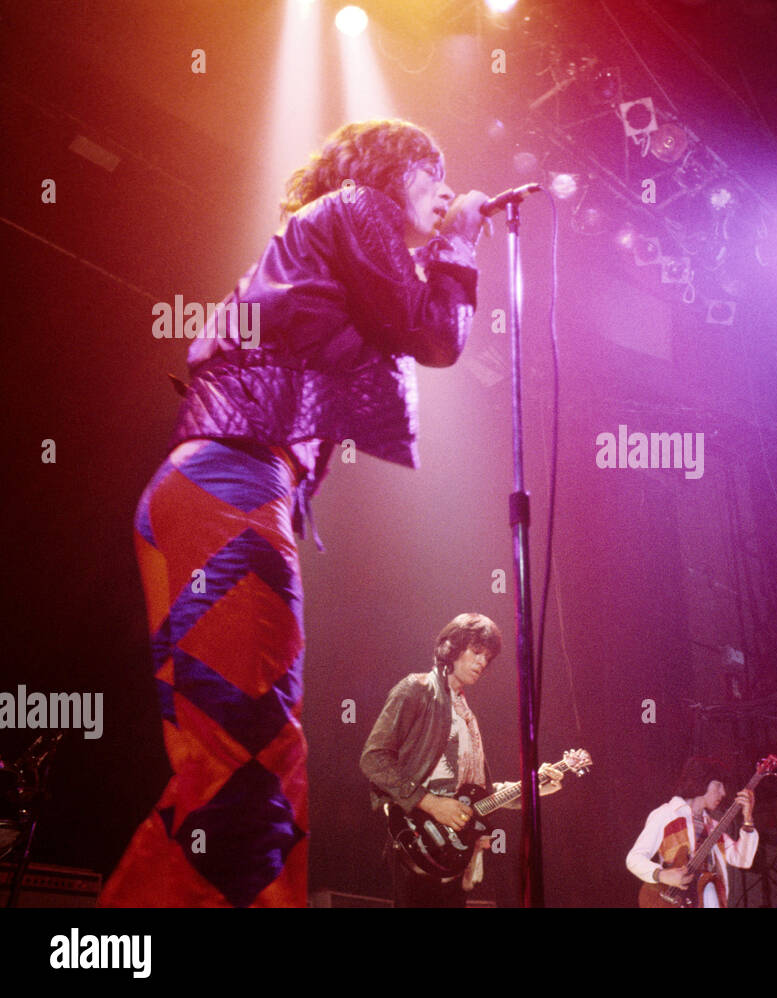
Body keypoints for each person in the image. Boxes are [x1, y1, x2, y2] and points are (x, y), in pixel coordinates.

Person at [100, 120, 490, 908]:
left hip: (205, 490)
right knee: (252, 783)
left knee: (232, 783)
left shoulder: (333, 246)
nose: (446, 190)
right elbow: (437, 334)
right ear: (391, 172)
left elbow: (400, 316)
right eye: (432, 171)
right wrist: (463, 246)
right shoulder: (356, 207)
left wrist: (435, 250)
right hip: (231, 489)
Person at [360, 612, 564, 907]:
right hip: (418, 841)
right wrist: (430, 803)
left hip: (457, 852)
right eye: (477, 652)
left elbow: (478, 793)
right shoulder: (417, 690)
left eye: (488, 657)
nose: (483, 662)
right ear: (451, 648)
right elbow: (373, 759)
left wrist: (533, 788)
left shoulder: (467, 715)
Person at [626, 759, 758, 908]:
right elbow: (634, 858)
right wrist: (662, 875)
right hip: (676, 900)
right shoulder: (667, 814)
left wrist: (748, 818)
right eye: (719, 785)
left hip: (709, 898)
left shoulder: (714, 827)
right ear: (703, 780)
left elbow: (743, 859)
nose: (723, 792)